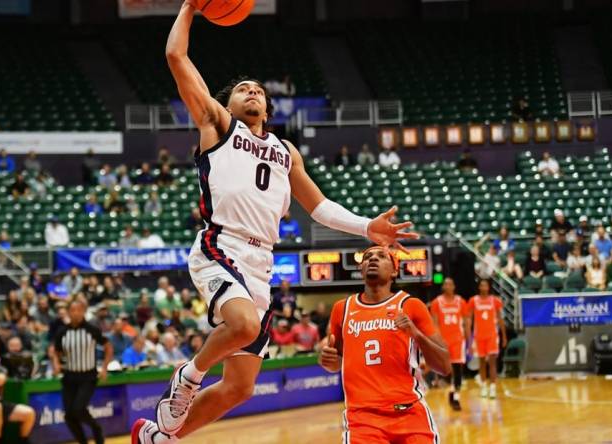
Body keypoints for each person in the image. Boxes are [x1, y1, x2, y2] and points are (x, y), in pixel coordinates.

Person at [131, 5, 415, 441]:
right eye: (242, 89)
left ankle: (159, 437)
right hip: (220, 245)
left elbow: (318, 207)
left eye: (258, 91)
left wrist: (366, 227)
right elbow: (176, 58)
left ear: (267, 106)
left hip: (261, 263)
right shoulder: (217, 125)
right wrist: (189, 7)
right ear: (226, 104)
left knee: (241, 386)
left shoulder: (286, 151)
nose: (251, 93)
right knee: (242, 326)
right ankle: (187, 377)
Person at [318, 246, 449, 443]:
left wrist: (417, 335)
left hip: (410, 412)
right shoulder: (341, 309)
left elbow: (445, 366)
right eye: (367, 257)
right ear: (361, 269)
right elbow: (336, 362)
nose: (372, 259)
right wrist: (327, 361)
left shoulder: (410, 305)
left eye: (381, 257)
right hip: (363, 418)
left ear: (394, 271)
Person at [51, 300, 114, 444]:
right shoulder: (62, 332)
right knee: (69, 416)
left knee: (78, 409)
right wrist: (56, 363)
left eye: (79, 310)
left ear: (83, 312)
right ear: (68, 312)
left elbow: (108, 347)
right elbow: (55, 351)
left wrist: (104, 368)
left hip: (88, 376)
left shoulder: (92, 329)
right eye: (72, 310)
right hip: (69, 377)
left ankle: (96, 428)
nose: (76, 313)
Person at [429, 277, 470, 411]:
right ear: (443, 287)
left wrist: (469, 338)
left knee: (458, 368)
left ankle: (456, 396)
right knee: (446, 372)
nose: (448, 286)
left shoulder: (461, 302)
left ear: (454, 286)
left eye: (450, 284)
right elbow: (434, 323)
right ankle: (451, 389)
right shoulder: (436, 302)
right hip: (443, 341)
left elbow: (466, 322)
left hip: (458, 339)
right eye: (445, 284)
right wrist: (437, 339)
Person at [466, 279, 506, 399]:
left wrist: (504, 336)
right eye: (481, 285)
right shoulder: (474, 301)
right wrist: (469, 338)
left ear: (489, 287)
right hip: (479, 336)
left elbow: (500, 319)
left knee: (492, 363)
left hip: (492, 336)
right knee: (482, 363)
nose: (484, 287)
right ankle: (483, 386)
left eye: (486, 285)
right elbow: (469, 319)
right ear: (479, 287)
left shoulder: (495, 301)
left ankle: (492, 388)